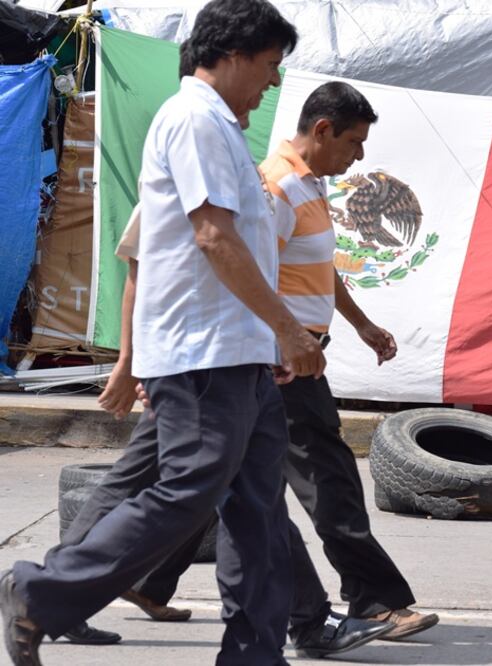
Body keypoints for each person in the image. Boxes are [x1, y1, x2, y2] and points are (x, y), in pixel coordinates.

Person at [0, 1, 322, 664]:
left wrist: (268, 342)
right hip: (202, 352)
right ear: (231, 54)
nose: (270, 83)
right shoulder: (195, 118)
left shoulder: (223, 129)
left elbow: (237, 245)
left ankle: (253, 651)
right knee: (188, 490)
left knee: (258, 511)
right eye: (267, 66)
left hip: (240, 354)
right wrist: (287, 330)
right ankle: (41, 592)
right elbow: (212, 238)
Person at [71, 81, 438, 652]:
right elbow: (158, 273)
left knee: (226, 488)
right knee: (283, 487)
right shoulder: (247, 180)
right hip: (233, 361)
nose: (359, 156)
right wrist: (132, 362)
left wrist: (354, 325)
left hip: (250, 358)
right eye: (354, 143)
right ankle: (354, 607)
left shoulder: (273, 182)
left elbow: (300, 270)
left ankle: (102, 586)